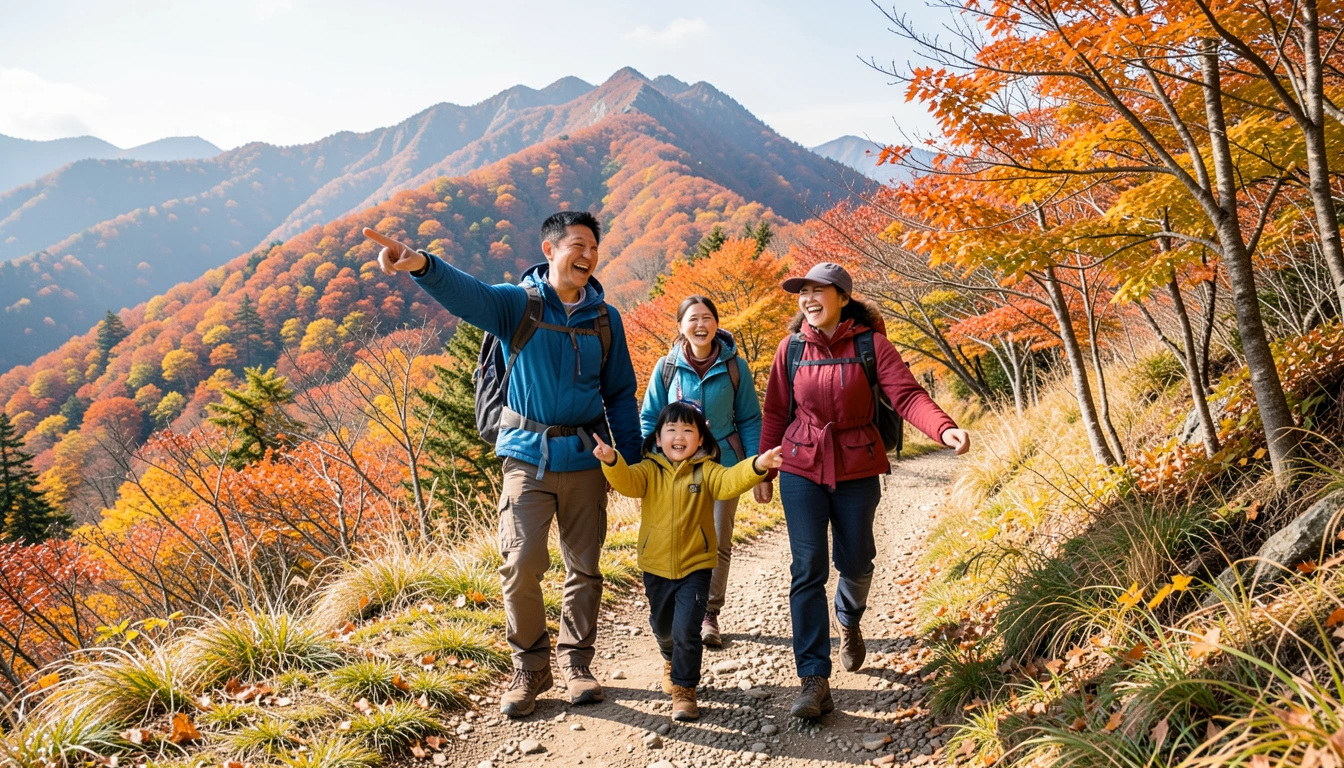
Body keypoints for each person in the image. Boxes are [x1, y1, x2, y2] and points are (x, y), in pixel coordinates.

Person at [363, 211, 643, 718]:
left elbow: (621, 393)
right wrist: (422, 265)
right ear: (550, 249)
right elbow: (469, 295)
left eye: (593, 247)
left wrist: (632, 462)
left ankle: (577, 662)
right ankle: (530, 666)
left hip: (586, 458)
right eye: (577, 245)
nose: (587, 255)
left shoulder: (605, 319)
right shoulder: (519, 304)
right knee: (520, 563)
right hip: (526, 458)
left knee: (585, 566)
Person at [754, 262, 971, 719]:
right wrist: (764, 472)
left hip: (856, 465)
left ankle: (849, 620)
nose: (808, 299)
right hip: (801, 465)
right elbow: (775, 410)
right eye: (803, 292)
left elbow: (907, 395)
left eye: (818, 291)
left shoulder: (872, 345)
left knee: (856, 560)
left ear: (842, 297)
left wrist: (943, 428)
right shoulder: (791, 348)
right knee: (807, 568)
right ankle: (813, 679)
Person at [594, 402, 783, 721]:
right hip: (655, 566)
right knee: (662, 626)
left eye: (687, 430)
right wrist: (612, 461)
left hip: (696, 566)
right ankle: (670, 657)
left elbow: (731, 480)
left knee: (687, 630)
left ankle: (684, 689)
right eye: (671, 430)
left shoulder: (707, 470)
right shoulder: (649, 469)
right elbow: (627, 483)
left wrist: (758, 465)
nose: (679, 436)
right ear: (658, 438)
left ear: (701, 439)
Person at [639, 295, 762, 648]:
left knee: (718, 539)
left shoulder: (734, 366)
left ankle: (709, 612)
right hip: (674, 468)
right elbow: (650, 417)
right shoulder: (666, 367)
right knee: (678, 535)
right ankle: (676, 608)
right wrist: (650, 462)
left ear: (716, 323)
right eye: (692, 318)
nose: (700, 324)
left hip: (723, 462)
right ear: (681, 326)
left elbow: (750, 418)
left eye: (707, 317)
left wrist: (757, 472)